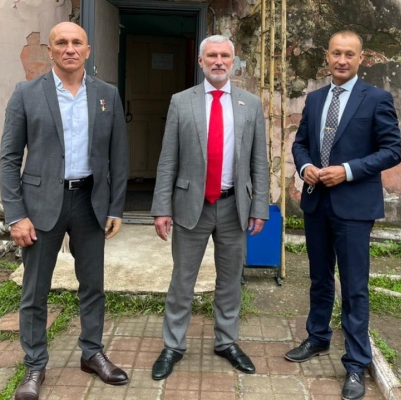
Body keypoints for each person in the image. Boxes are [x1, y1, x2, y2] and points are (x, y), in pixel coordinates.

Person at [0, 21, 129, 400]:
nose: (69, 49)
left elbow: (119, 156)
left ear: (87, 50)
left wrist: (116, 207)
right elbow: (9, 158)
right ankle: (35, 365)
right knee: (35, 290)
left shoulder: (107, 94)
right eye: (61, 43)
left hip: (90, 202)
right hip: (40, 206)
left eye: (76, 43)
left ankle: (92, 353)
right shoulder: (26, 94)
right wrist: (16, 214)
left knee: (93, 285)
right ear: (51, 50)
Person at [289, 30, 401, 400]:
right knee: (319, 277)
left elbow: (392, 151)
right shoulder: (315, 98)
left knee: (354, 286)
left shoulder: (377, 99)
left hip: (354, 206)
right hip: (316, 202)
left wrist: (348, 171)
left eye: (349, 54)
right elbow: (301, 143)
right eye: (336, 53)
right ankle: (317, 337)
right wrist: (305, 166)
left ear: (361, 58)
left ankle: (355, 363)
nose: (341, 60)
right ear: (327, 55)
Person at [150, 35, 270, 380]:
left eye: (225, 56)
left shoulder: (251, 104)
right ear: (201, 61)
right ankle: (173, 346)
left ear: (233, 62)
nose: (219, 61)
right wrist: (161, 208)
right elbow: (167, 160)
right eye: (212, 56)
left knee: (230, 281)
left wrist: (259, 206)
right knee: (182, 280)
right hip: (192, 206)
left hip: (234, 207)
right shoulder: (181, 102)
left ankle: (226, 341)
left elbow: (259, 162)